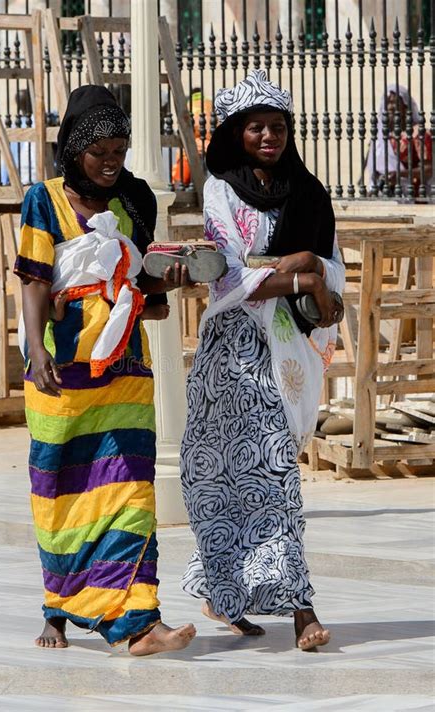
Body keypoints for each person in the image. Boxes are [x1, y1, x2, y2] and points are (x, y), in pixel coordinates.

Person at [14, 85, 195, 655]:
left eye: (120, 148)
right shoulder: (43, 201)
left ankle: (141, 619)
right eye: (101, 152)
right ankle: (59, 607)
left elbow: (145, 285)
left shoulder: (133, 201)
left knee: (129, 490)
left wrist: (168, 282)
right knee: (62, 493)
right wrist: (38, 350)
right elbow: (35, 278)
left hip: (124, 367)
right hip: (61, 374)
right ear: (74, 151)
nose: (113, 160)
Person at [180, 69, 345, 650]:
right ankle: (239, 599)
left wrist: (303, 266)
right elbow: (226, 275)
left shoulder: (310, 191)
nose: (269, 136)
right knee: (223, 480)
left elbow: (334, 274)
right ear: (235, 133)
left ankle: (295, 608)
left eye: (278, 126)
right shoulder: (220, 190)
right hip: (229, 354)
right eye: (256, 128)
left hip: (285, 352)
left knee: (276, 472)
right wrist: (302, 272)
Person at [367, 84, 432, 197]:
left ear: (405, 106)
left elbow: (428, 169)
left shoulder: (418, 133)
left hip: (411, 194)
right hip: (383, 193)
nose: (391, 107)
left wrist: (399, 174)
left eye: (395, 102)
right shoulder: (382, 137)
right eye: (388, 103)